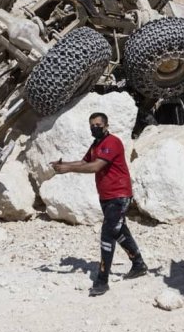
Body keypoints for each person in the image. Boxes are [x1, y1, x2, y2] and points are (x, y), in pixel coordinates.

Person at [50, 113, 147, 297]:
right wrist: (63, 166)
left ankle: (102, 280)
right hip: (106, 196)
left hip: (119, 195)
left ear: (106, 125)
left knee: (107, 234)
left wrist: (68, 169)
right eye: (91, 125)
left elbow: (96, 166)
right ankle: (139, 264)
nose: (94, 127)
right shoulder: (96, 144)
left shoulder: (112, 142)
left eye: (98, 124)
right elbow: (85, 162)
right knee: (118, 230)